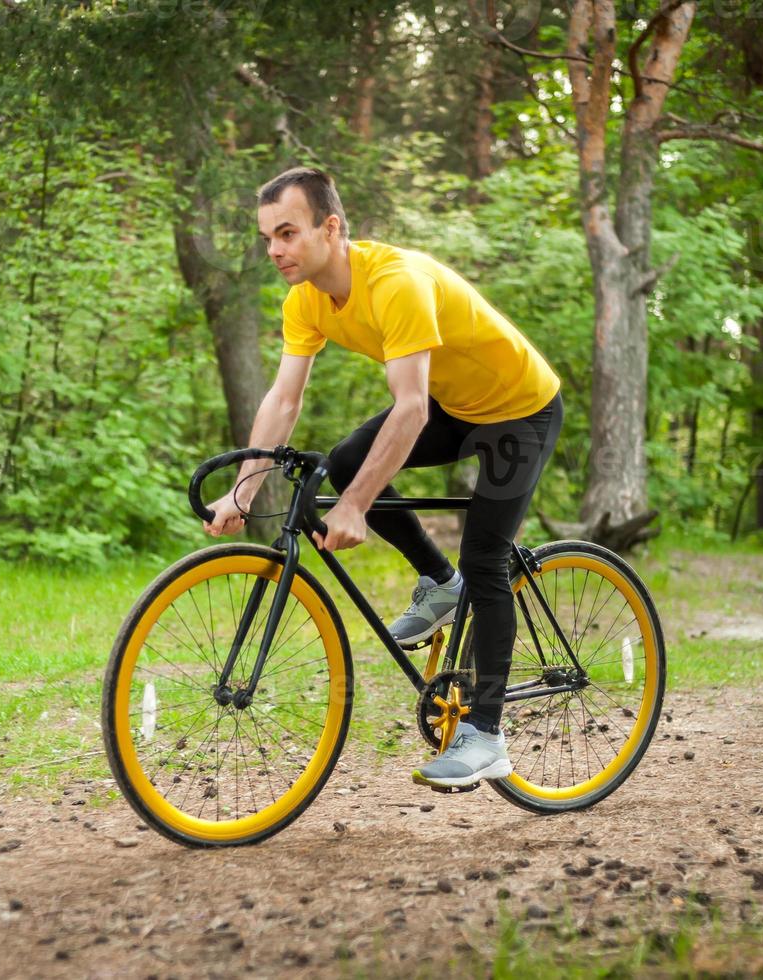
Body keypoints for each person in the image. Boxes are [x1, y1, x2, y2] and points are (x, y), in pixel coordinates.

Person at [202, 166, 563, 790]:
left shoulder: (395, 282)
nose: (275, 250)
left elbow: (411, 407)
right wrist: (245, 489)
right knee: (341, 463)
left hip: (518, 409)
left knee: (486, 556)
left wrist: (356, 508)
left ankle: (486, 736)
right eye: (267, 238)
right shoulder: (306, 300)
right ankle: (437, 583)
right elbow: (283, 401)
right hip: (458, 406)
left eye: (287, 233)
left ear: (331, 227)